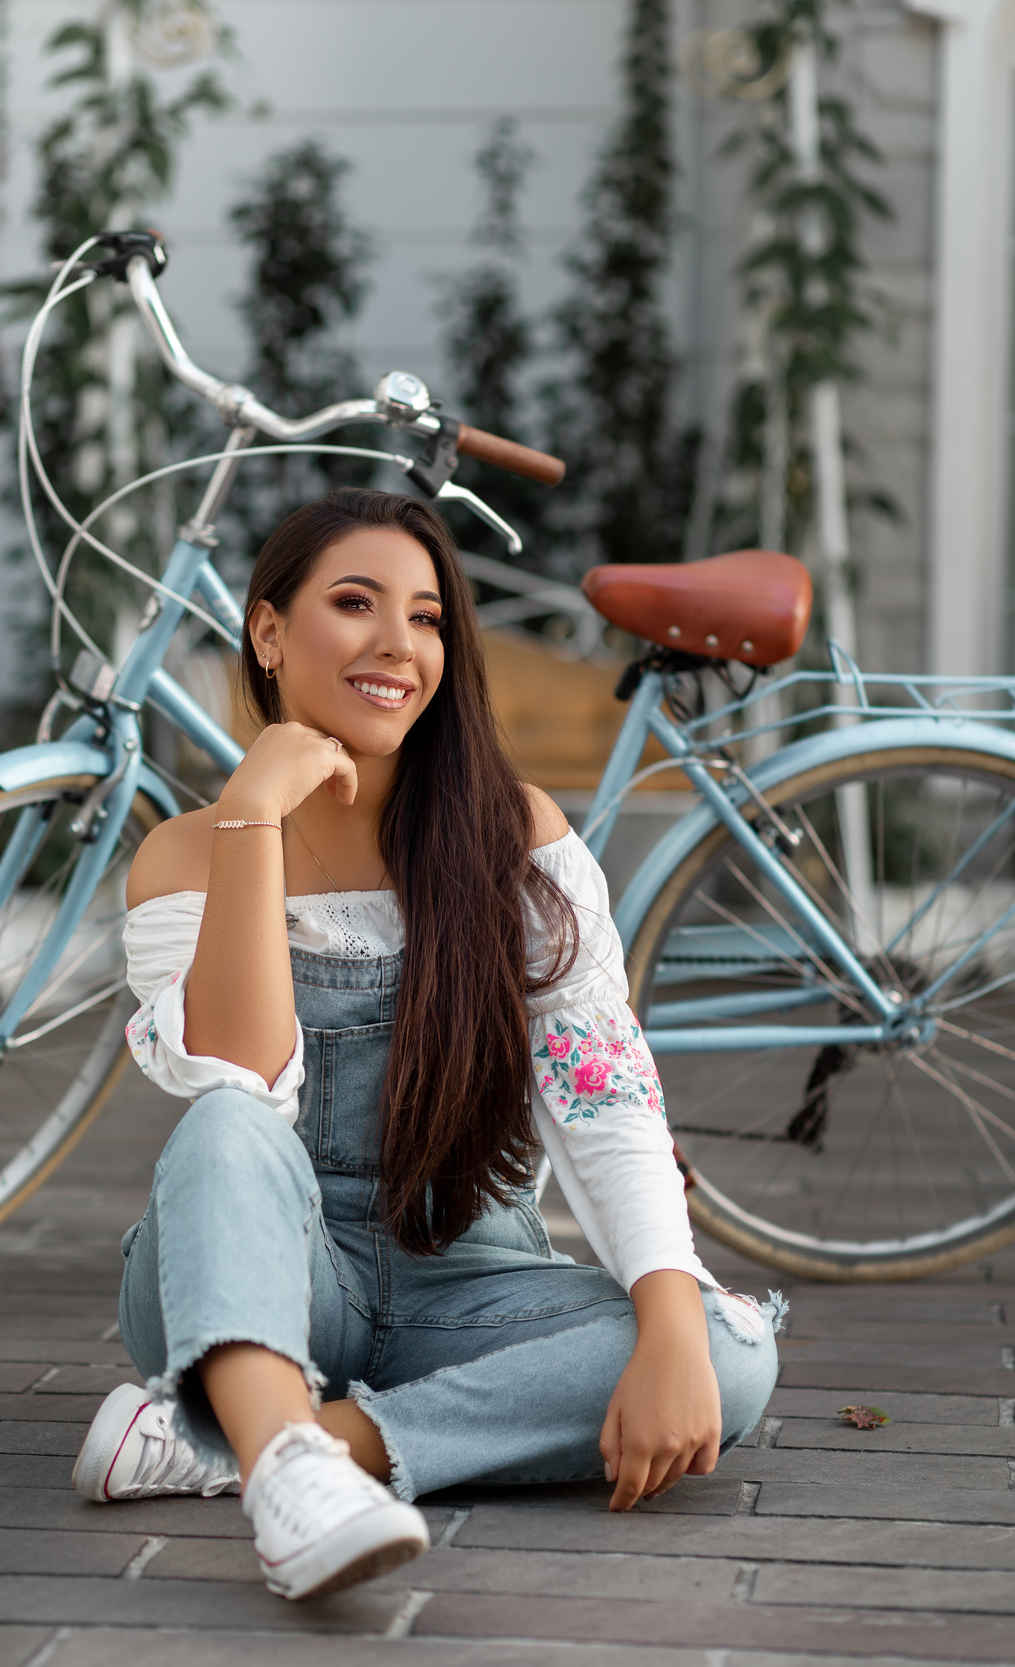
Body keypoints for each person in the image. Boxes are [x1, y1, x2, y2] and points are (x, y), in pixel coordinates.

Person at [71, 488, 781, 1601]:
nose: (398, 645)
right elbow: (241, 1083)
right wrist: (253, 817)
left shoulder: (518, 837)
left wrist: (671, 1312)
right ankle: (279, 1459)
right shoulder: (180, 858)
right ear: (268, 631)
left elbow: (607, 1102)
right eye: (355, 604)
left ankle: (264, 1446)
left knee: (725, 1353)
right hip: (265, 1274)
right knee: (220, 1124)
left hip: (473, 1285)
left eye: (430, 616)